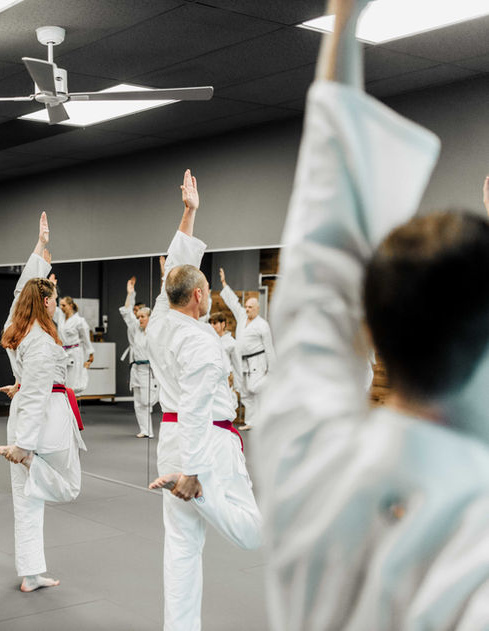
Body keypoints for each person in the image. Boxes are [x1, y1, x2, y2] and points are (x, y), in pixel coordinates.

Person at [256, 1, 489, 629]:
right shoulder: (476, 545)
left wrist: (343, 20)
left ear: (375, 328)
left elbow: (322, 257)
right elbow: (325, 268)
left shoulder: (307, 453)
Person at [145, 170, 262, 631]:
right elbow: (196, 405)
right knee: (252, 532)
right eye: (207, 289)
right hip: (204, 443)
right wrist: (194, 476)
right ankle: (204, 495)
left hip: (173, 438)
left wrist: (190, 213)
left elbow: (175, 270)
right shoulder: (200, 341)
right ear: (199, 296)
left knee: (181, 547)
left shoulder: (159, 321)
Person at [0, 211, 87, 593]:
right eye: (54, 297)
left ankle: (31, 573)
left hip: (28, 415)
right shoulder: (44, 343)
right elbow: (35, 394)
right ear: (46, 301)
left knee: (26, 500)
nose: (56, 302)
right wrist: (24, 448)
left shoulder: (16, 330)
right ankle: (31, 459)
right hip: (43, 421)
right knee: (70, 487)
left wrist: (40, 248)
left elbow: (20, 295)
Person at [218, 267, 274, 430]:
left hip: (258, 360)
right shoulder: (242, 316)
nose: (247, 309)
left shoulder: (262, 325)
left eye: (251, 307)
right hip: (241, 361)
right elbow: (233, 303)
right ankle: (251, 422)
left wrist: (271, 370)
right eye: (247, 307)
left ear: (257, 309)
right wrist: (224, 284)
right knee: (244, 392)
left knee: (254, 387)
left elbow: (269, 348)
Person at [119, 276, 158, 438]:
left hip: (150, 370)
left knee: (147, 401)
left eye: (143, 317)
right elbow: (127, 313)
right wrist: (130, 293)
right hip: (136, 368)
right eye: (139, 316)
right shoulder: (136, 329)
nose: (139, 319)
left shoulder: (155, 331)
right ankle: (145, 430)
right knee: (138, 402)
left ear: (150, 318)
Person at [56, 295, 95, 393]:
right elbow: (52, 309)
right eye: (60, 305)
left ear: (70, 305)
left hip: (75, 352)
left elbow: (86, 339)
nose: (61, 307)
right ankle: (65, 404)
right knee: (62, 380)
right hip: (63, 351)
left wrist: (90, 353)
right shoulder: (60, 317)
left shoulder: (79, 321)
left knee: (73, 382)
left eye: (64, 305)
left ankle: (72, 403)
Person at [209, 311, 242, 407]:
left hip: (227, 382)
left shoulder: (231, 343)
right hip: (212, 381)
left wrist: (237, 389)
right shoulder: (210, 341)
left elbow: (237, 366)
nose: (212, 326)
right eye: (210, 323)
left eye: (215, 323)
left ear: (223, 324)